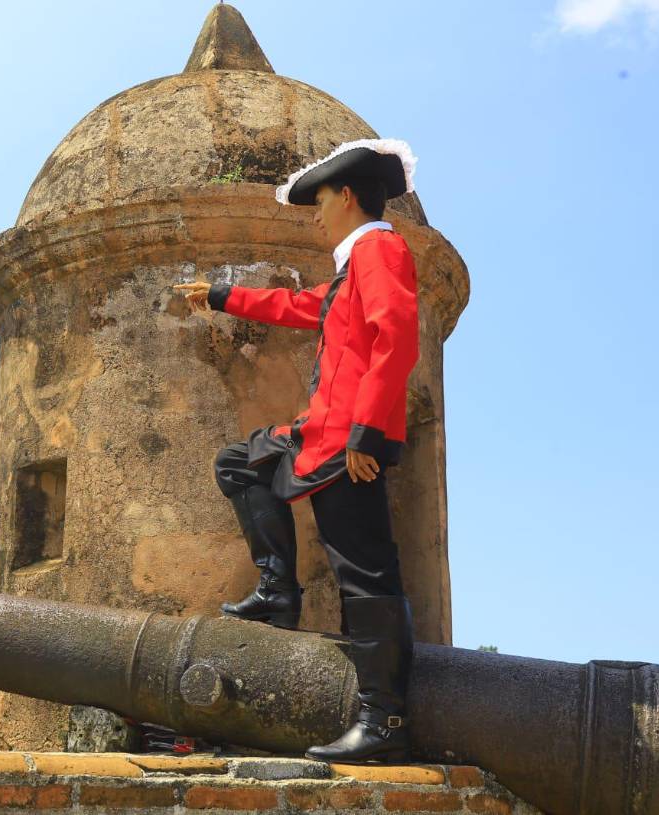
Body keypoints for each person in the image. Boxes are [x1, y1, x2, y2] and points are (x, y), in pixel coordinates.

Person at [174, 139, 421, 764]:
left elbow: (397, 332)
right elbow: (301, 305)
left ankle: (385, 719)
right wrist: (224, 296)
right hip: (320, 435)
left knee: (365, 575)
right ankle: (278, 589)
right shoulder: (349, 268)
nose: (313, 214)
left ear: (346, 196)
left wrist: (369, 432)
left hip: (350, 444)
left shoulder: (379, 247)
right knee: (240, 463)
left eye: (319, 201)